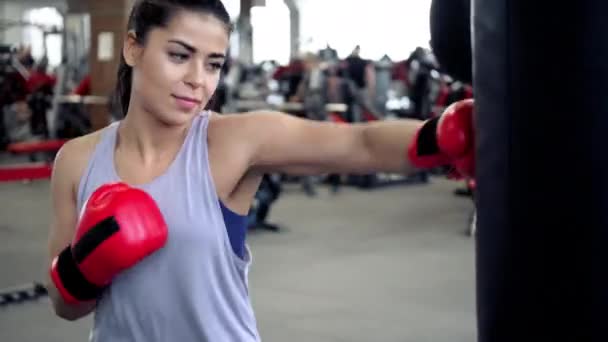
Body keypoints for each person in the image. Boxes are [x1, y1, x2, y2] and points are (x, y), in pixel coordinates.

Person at [45, 1, 475, 341]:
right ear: (133, 47)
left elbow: (355, 143)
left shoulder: (231, 142)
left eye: (213, 64)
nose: (198, 80)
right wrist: (87, 264)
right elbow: (64, 306)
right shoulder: (77, 161)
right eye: (179, 55)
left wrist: (441, 136)